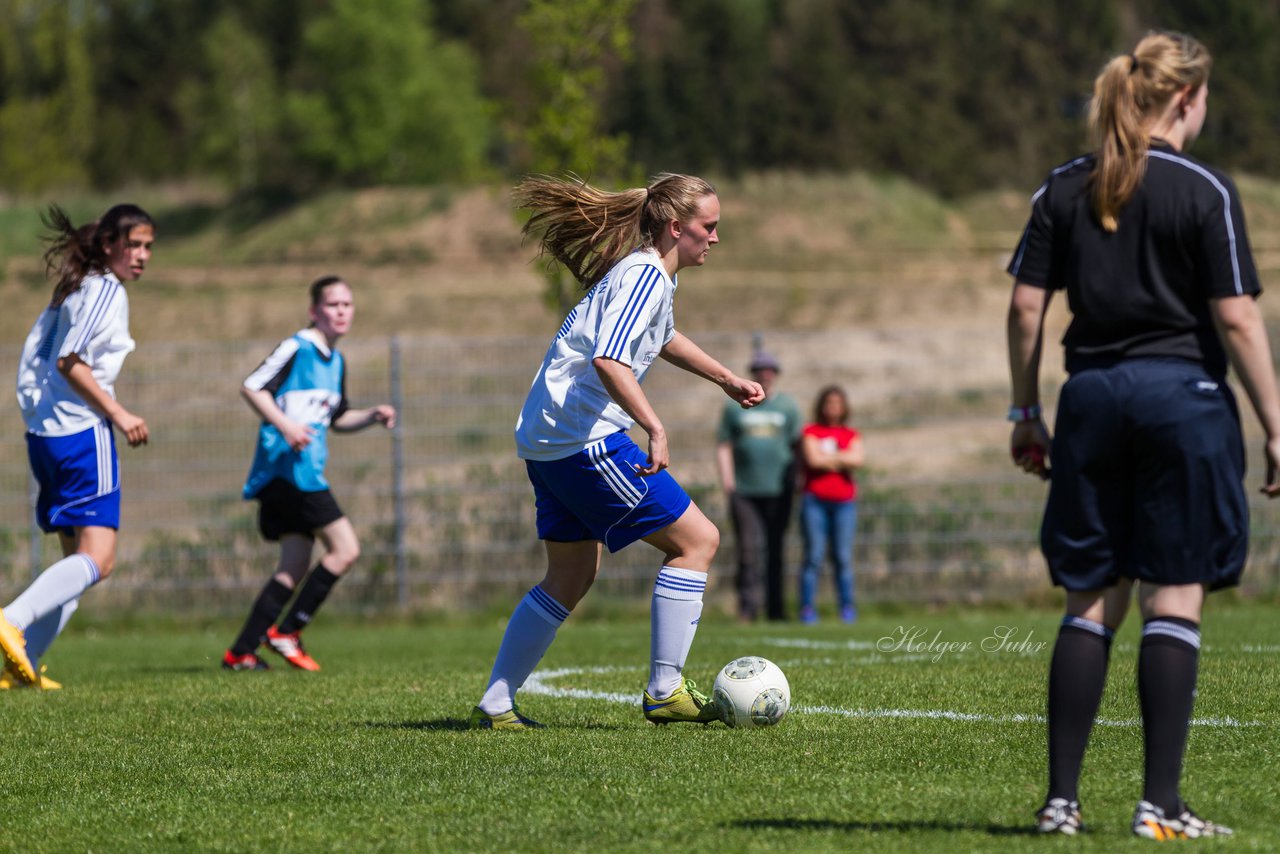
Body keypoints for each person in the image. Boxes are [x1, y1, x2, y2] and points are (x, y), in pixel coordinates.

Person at [1007, 31, 1280, 839]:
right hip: (1185, 401)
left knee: (1091, 598)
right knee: (1175, 594)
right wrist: (1276, 423)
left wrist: (1026, 412)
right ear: (1188, 100)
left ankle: (1061, 803)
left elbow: (1027, 308)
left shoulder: (1063, 185)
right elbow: (1235, 316)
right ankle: (1159, 806)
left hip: (1090, 399)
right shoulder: (1205, 189)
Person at [469, 172, 765, 730]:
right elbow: (609, 360)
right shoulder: (645, 277)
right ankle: (665, 689)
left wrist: (724, 377)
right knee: (698, 540)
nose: (716, 238)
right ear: (678, 227)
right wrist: (653, 425)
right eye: (710, 227)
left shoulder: (646, 276)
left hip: (548, 442)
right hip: (585, 441)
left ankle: (496, 704)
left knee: (571, 574)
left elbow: (664, 338)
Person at [0, 204, 156, 690]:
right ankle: (11, 619)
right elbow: (71, 361)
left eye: (149, 246)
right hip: (80, 432)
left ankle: (22, 664)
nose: (143, 256)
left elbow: (41, 358)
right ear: (109, 243)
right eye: (134, 244)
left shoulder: (75, 284)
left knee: (76, 563)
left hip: (45, 433)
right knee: (100, 560)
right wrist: (119, 413)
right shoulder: (105, 289)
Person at [221, 276, 396, 672]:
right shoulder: (297, 347)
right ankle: (287, 632)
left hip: (301, 470)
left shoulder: (336, 361)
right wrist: (286, 426)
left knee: (294, 565)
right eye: (333, 305)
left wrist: (370, 416)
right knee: (346, 549)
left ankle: (241, 652)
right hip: (289, 471)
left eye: (347, 305)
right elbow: (252, 386)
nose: (341, 312)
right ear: (314, 311)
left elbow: (336, 418)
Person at [715, 348, 801, 622]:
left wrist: (798, 479)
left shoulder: (787, 407)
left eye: (769, 369)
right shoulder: (734, 406)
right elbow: (724, 445)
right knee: (748, 551)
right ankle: (748, 608)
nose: (764, 374)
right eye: (759, 369)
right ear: (752, 373)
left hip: (779, 490)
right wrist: (728, 481)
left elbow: (798, 445)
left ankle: (776, 609)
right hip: (745, 490)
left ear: (775, 374)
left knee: (776, 550)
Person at [796, 385, 863, 625]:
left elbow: (858, 459)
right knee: (813, 556)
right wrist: (841, 459)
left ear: (843, 407)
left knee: (842, 557)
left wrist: (829, 460)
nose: (832, 408)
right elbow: (813, 460)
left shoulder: (851, 434)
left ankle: (846, 607)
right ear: (821, 406)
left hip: (844, 503)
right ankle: (807, 609)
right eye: (828, 403)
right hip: (814, 501)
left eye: (837, 403)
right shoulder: (810, 431)